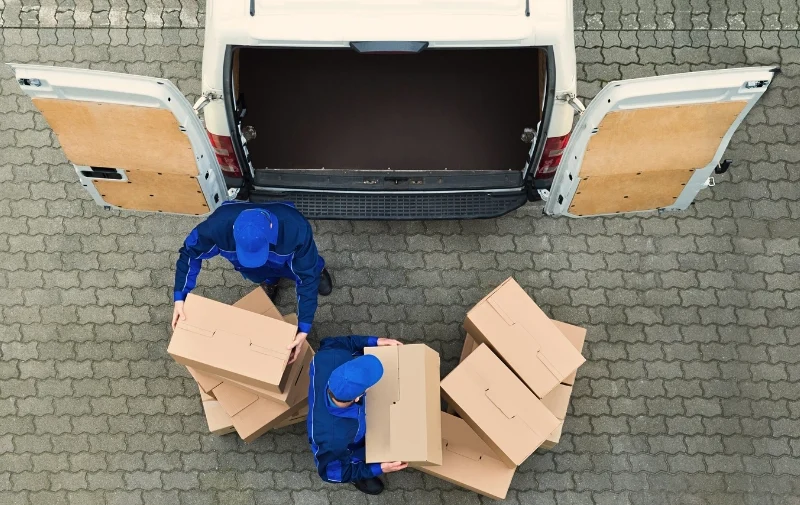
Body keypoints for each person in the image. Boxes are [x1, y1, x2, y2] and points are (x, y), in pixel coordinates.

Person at [171, 201, 332, 363]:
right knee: (258, 273)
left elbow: (306, 278)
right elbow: (190, 254)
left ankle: (320, 271)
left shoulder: (296, 229)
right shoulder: (215, 227)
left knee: (309, 267)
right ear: (233, 230)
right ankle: (270, 280)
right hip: (250, 267)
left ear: (271, 229)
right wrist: (180, 296)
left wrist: (304, 326)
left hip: (286, 257)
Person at [308, 336, 407, 495]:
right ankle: (359, 472)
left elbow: (338, 341)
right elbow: (331, 474)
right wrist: (379, 468)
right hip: (348, 447)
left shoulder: (331, 355)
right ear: (358, 397)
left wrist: (375, 341)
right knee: (373, 482)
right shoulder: (333, 439)